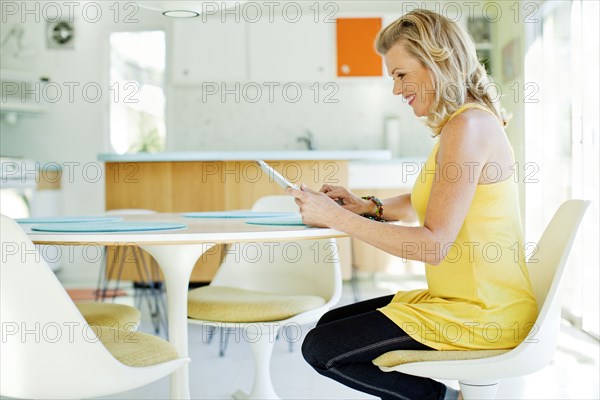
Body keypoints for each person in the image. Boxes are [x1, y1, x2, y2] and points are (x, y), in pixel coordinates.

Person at [286, 9, 538, 400]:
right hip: (469, 301)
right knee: (331, 324)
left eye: (400, 75)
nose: (396, 89)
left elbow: (433, 245)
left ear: (438, 61)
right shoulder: (464, 123)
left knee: (321, 349)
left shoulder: (467, 128)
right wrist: (364, 206)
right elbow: (431, 201)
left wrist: (336, 217)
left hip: (485, 314)